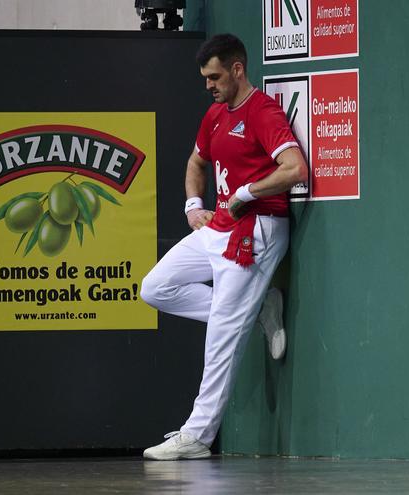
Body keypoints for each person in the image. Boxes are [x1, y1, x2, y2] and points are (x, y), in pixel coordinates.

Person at [139, 33, 308, 460]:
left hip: (257, 230)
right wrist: (194, 204)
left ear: (237, 69)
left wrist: (248, 192)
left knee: (220, 335)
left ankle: (197, 436)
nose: (209, 86)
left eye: (215, 76)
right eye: (205, 79)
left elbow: (295, 169)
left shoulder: (263, 112)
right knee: (155, 288)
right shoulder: (214, 115)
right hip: (217, 226)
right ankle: (259, 309)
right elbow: (197, 160)